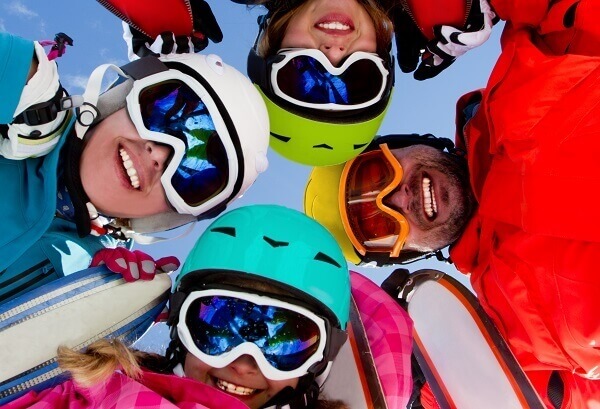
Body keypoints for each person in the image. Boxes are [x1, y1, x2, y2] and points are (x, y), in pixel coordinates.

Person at [305, 0, 600, 406]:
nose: (397, 198)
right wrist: (430, 376)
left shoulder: (527, 82)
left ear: (401, 145)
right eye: (379, 225)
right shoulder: (510, 331)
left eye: (377, 176)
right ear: (404, 255)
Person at [5, 204, 400, 409]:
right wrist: (78, 304)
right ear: (180, 328)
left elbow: (387, 339)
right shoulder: (92, 392)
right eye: (218, 326)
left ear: (319, 362)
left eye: (284, 343)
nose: (245, 363)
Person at [0, 30, 270, 304]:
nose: (160, 156)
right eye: (164, 115)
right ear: (121, 98)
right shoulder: (22, 97)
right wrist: (24, 87)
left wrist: (91, 317)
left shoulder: (93, 280)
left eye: (194, 174)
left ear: (169, 216)